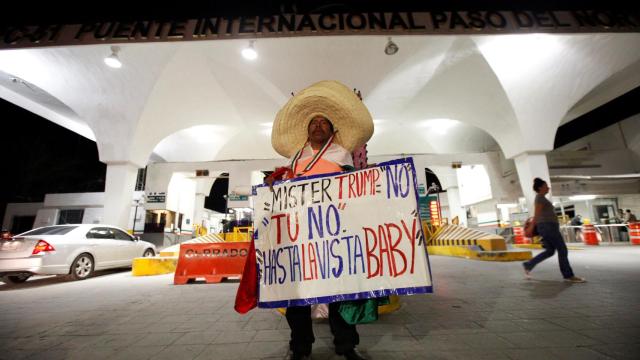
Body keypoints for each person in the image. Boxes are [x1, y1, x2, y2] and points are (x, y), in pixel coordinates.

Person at [265, 81, 374, 360]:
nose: (318, 126)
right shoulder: (295, 158)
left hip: (337, 231)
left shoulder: (342, 155)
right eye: (313, 122)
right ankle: (300, 348)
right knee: (298, 295)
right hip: (301, 235)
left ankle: (346, 346)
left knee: (342, 293)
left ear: (332, 130)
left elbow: (355, 190)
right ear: (307, 129)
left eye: (324, 123)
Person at [522, 178, 585, 283]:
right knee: (562, 249)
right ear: (540, 187)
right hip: (548, 227)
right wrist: (531, 227)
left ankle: (529, 264)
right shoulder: (539, 198)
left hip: (548, 227)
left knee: (550, 251)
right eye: (546, 186)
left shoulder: (541, 198)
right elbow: (537, 214)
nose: (548, 188)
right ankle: (568, 275)